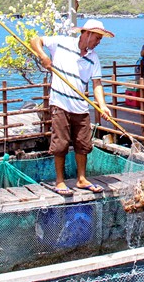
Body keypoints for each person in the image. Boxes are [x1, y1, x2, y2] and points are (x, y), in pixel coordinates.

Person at [30, 19, 113, 196]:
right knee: (60, 144)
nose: (99, 42)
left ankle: (81, 179)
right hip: (60, 104)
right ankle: (60, 181)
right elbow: (35, 40)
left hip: (80, 106)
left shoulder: (93, 58)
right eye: (97, 38)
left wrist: (103, 106)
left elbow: (97, 84)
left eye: (100, 39)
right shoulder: (62, 43)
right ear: (87, 34)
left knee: (83, 144)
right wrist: (43, 56)